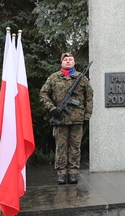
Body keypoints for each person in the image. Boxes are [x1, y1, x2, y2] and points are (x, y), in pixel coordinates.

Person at [39, 52, 94, 185]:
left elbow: (89, 97)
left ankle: (73, 173)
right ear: (61, 63)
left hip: (77, 119)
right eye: (66, 60)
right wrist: (52, 109)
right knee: (61, 147)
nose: (68, 61)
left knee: (75, 147)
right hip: (60, 119)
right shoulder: (54, 78)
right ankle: (62, 173)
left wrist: (87, 116)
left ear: (74, 63)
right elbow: (43, 94)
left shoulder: (82, 79)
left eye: (70, 59)